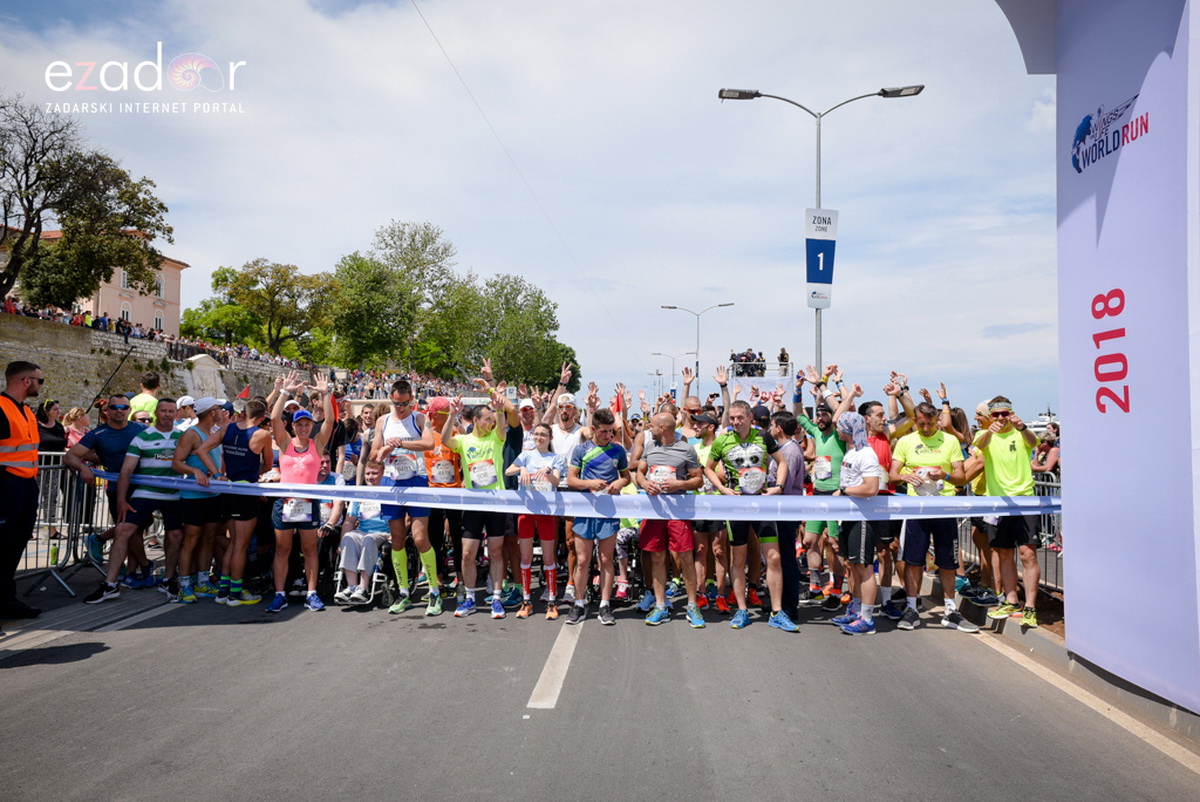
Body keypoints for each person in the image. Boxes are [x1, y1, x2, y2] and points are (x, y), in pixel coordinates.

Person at [85, 398, 185, 603]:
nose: (167, 414)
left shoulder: (183, 437)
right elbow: (126, 470)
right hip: (146, 492)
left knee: (175, 536)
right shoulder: (142, 437)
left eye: (171, 411)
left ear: (176, 414)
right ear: (156, 413)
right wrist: (122, 500)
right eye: (163, 411)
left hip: (173, 494)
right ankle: (110, 584)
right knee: (122, 530)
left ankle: (168, 579)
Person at [705, 399, 792, 631]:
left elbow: (782, 462)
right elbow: (708, 468)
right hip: (736, 506)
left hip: (762, 504)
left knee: (773, 557)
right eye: (732, 418)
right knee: (738, 559)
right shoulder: (722, 439)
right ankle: (742, 610)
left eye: (740, 418)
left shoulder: (764, 436)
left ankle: (777, 611)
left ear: (750, 417)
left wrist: (778, 486)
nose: (735, 422)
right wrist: (722, 488)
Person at [890, 402, 976, 632]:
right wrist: (905, 477)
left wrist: (945, 475)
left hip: (943, 508)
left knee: (948, 561)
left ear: (938, 420)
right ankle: (912, 608)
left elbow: (961, 477)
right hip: (916, 508)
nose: (926, 428)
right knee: (913, 560)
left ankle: (950, 611)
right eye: (921, 424)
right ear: (915, 421)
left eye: (930, 423)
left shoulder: (950, 440)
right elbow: (892, 474)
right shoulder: (906, 441)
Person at [265, 372, 335, 613]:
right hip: (284, 503)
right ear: (293, 426)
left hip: (308, 502)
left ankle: (312, 593)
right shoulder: (285, 443)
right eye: (299, 424)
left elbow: (330, 421)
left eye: (307, 424)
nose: (304, 428)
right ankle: (279, 594)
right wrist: (285, 391)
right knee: (282, 550)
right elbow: (274, 417)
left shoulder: (317, 444)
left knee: (309, 550)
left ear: (311, 426)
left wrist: (325, 394)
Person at [370, 379, 440, 616]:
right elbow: (374, 455)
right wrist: (384, 451)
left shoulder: (419, 418)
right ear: (391, 399)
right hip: (391, 481)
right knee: (397, 539)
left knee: (420, 538)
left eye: (404, 404)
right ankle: (403, 592)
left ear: (412, 400)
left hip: (416, 480)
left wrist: (401, 443)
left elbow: (429, 443)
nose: (400, 408)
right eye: (396, 403)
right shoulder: (383, 421)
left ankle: (434, 591)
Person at [442, 389, 513, 619]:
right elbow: (445, 440)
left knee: (496, 551)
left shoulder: (496, 438)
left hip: (495, 503)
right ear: (475, 420)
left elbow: (501, 427)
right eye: (487, 419)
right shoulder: (464, 440)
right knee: (467, 554)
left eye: (493, 419)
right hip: (472, 504)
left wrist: (499, 410)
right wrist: (451, 415)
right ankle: (470, 598)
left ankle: (497, 599)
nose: (491, 423)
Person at [66, 393, 151, 580]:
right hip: (117, 488)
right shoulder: (98, 434)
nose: (119, 411)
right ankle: (141, 568)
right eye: (115, 407)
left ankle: (105, 544)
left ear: (129, 410)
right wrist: (83, 468)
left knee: (137, 528)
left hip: (144, 487)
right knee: (128, 530)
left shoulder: (141, 429)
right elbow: (71, 455)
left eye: (124, 408)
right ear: (107, 411)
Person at [635, 412, 705, 628]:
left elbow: (698, 480)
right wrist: (644, 484)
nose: (649, 428)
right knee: (656, 557)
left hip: (677, 512)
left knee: (685, 557)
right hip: (655, 512)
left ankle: (692, 605)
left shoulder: (685, 449)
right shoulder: (650, 446)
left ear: (663, 428)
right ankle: (660, 605)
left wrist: (679, 485)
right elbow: (639, 473)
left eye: (652, 426)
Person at [200, 397, 272, 606]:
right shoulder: (262, 435)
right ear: (262, 417)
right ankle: (236, 592)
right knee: (241, 545)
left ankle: (224, 590)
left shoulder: (226, 429)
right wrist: (254, 475)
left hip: (227, 490)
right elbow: (268, 465)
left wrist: (217, 474)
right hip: (245, 492)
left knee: (234, 543)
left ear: (243, 413)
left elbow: (201, 450)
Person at [977, 397, 1042, 629]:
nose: (1001, 418)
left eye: (1005, 413)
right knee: (1004, 552)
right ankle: (1011, 600)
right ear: (990, 417)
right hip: (998, 503)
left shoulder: (1021, 433)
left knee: (1027, 554)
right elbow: (980, 444)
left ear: (1012, 413)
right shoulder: (985, 434)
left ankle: (1030, 607)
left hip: (1025, 501)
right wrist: (990, 431)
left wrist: (1022, 427)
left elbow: (1033, 441)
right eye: (996, 415)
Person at [565, 407, 630, 625]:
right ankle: (579, 603)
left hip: (609, 511)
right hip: (585, 511)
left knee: (606, 559)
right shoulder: (581, 450)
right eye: (604, 431)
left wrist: (620, 482)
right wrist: (590, 483)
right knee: (583, 560)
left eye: (611, 431)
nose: (609, 435)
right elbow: (571, 480)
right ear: (593, 429)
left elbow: (627, 477)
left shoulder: (618, 451)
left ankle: (604, 604)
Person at [828, 411, 886, 635]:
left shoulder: (867, 454)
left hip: (862, 518)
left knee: (864, 567)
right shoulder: (851, 451)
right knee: (852, 565)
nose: (837, 430)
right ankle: (857, 609)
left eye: (841, 426)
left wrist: (844, 491)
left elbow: (871, 488)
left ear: (848, 430)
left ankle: (868, 618)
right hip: (848, 517)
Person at [169, 397, 227, 604]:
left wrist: (219, 475)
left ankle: (203, 581)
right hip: (193, 496)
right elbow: (176, 462)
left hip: (214, 495)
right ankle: (184, 584)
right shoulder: (191, 434)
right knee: (191, 541)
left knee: (209, 539)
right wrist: (195, 471)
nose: (222, 412)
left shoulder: (215, 433)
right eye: (219, 408)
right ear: (212, 413)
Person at [505, 422, 565, 619]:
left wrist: (548, 471)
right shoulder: (526, 455)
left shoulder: (555, 458)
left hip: (546, 512)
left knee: (548, 558)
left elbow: (557, 481)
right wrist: (521, 468)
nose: (539, 438)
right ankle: (526, 601)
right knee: (525, 558)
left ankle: (552, 602)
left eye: (543, 435)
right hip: (526, 511)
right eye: (536, 434)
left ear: (550, 438)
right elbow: (508, 471)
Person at [0, 361, 43, 620]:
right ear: (26, 381)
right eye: (39, 380)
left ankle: (6, 599)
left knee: (16, 543)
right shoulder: (1, 407)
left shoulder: (26, 410)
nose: (40, 385)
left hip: (26, 484)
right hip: (5, 484)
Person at [333, 460, 389, 605]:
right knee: (348, 538)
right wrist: (341, 542)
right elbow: (349, 521)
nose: (371, 477)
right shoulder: (359, 494)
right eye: (368, 473)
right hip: (362, 531)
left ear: (382, 474)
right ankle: (351, 587)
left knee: (369, 539)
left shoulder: (388, 493)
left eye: (374, 473)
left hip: (382, 532)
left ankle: (363, 587)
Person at [35, 398, 67, 540]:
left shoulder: (59, 427)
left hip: (55, 467)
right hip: (38, 467)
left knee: (52, 498)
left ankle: (51, 529)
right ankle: (27, 528)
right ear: (46, 411)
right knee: (33, 497)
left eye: (59, 409)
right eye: (55, 409)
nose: (58, 411)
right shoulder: (37, 426)